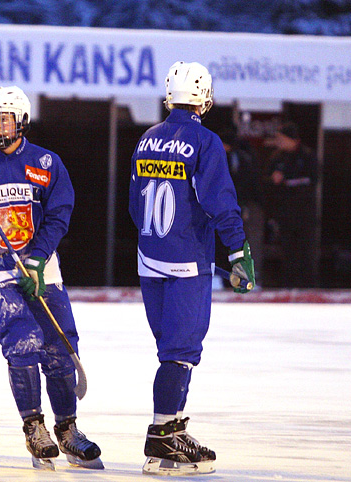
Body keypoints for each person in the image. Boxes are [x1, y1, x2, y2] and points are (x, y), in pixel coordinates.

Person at [0, 86, 103, 470]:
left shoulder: (47, 162)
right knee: (23, 341)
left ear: (21, 121)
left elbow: (59, 215)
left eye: (3, 118)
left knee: (61, 347)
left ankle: (68, 429)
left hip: (39, 264)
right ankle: (34, 427)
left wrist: (38, 259)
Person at [128, 61, 255, 476]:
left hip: (150, 260)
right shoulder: (206, 140)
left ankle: (173, 425)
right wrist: (237, 250)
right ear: (204, 98)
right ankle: (162, 437)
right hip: (186, 264)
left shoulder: (146, 139)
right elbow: (219, 201)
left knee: (170, 351)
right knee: (180, 355)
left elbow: (134, 206)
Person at [264, 121, 318, 287]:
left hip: (304, 214)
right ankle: (289, 284)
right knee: (288, 251)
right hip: (285, 214)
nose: (279, 142)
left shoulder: (307, 156)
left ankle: (307, 286)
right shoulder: (277, 157)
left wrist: (286, 181)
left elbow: (312, 180)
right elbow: (266, 181)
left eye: (282, 138)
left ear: (292, 139)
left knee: (305, 251)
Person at [219, 128, 265, 283]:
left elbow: (249, 184)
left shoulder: (242, 159)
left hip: (240, 206)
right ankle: (220, 276)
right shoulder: (217, 159)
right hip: (221, 208)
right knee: (222, 242)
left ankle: (248, 277)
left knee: (243, 242)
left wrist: (245, 206)